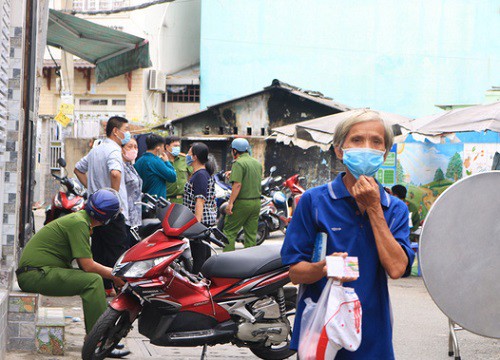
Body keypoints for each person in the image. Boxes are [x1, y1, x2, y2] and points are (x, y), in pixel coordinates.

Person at [281, 110, 414, 359]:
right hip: (321, 332)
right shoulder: (314, 201)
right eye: (357, 140)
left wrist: (374, 208)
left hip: (373, 335)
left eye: (376, 142)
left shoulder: (394, 208)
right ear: (340, 150)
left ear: (384, 154)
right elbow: (295, 273)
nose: (367, 147)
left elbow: (397, 268)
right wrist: (323, 267)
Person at [16, 189, 130, 358]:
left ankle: (97, 337)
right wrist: (115, 275)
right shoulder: (78, 223)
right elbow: (88, 266)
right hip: (34, 275)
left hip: (40, 272)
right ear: (109, 218)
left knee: (93, 280)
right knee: (92, 281)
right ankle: (97, 339)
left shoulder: (80, 220)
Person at [74, 116, 130, 296]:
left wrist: (91, 190)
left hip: (95, 211)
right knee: (116, 250)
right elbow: (115, 173)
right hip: (111, 212)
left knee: (98, 248)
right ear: (116, 131)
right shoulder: (114, 151)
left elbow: (77, 169)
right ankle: (119, 288)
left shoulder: (96, 150)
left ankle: (104, 287)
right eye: (126, 129)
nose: (127, 134)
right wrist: (112, 197)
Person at [183, 142, 217, 273]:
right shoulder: (200, 174)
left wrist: (196, 224)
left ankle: (200, 284)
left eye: (189, 153)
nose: (187, 155)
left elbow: (200, 200)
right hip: (200, 223)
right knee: (202, 256)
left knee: (200, 259)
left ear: (195, 157)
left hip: (200, 223)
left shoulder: (201, 175)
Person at [223, 138, 263, 251]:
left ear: (235, 151)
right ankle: (250, 263)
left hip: (242, 203)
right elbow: (249, 178)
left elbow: (237, 185)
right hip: (256, 203)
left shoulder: (238, 163)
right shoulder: (256, 163)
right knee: (251, 235)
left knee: (229, 232)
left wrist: (230, 203)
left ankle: (227, 261)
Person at [134, 134, 177, 199]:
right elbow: (172, 177)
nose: (163, 150)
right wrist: (167, 162)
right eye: (163, 147)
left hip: (143, 201)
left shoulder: (139, 161)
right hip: (156, 203)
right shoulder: (156, 161)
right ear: (158, 148)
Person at [122, 137, 142, 247]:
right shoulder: (120, 167)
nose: (133, 150)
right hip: (125, 215)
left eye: (135, 147)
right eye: (130, 146)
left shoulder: (131, 166)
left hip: (135, 217)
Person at [165, 136, 192, 204]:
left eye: (178, 146)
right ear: (167, 147)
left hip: (182, 200)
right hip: (167, 200)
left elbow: (192, 174)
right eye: (175, 146)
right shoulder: (161, 161)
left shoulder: (184, 159)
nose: (177, 148)